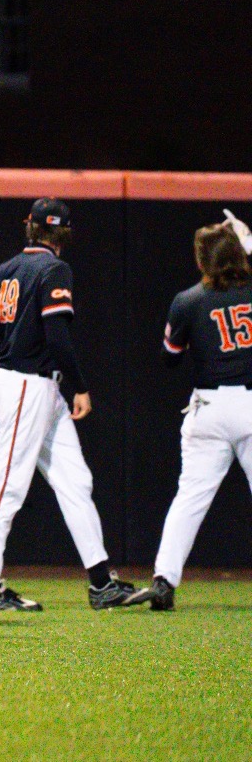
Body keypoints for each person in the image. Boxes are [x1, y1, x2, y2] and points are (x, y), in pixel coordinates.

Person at [0, 198, 143, 612]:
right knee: (7, 485)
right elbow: (58, 338)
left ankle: (101, 581)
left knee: (75, 480)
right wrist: (81, 387)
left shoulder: (3, 271)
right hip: (27, 385)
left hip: (38, 389)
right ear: (64, 233)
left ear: (29, 226)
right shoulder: (53, 269)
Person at [134, 221, 252, 612]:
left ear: (203, 259)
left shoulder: (188, 300)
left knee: (189, 499)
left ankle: (164, 580)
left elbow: (168, 358)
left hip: (210, 409)